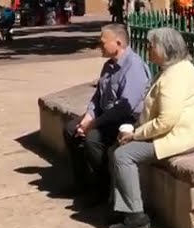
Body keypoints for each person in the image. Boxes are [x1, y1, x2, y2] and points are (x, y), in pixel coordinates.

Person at [108, 26, 194, 228]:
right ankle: (122, 207)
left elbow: (166, 121)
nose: (148, 49)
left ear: (165, 49)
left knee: (123, 155)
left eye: (151, 46)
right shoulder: (173, 70)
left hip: (178, 137)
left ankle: (136, 217)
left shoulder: (176, 75)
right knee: (115, 149)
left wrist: (135, 134)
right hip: (170, 133)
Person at [62, 23, 150, 204]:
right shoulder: (108, 66)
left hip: (125, 119)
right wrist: (89, 116)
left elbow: (124, 108)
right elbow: (98, 97)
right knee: (71, 129)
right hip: (106, 115)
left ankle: (102, 188)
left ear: (118, 43)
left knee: (93, 138)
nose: (99, 45)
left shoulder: (133, 67)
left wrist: (94, 124)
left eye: (103, 42)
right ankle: (82, 183)